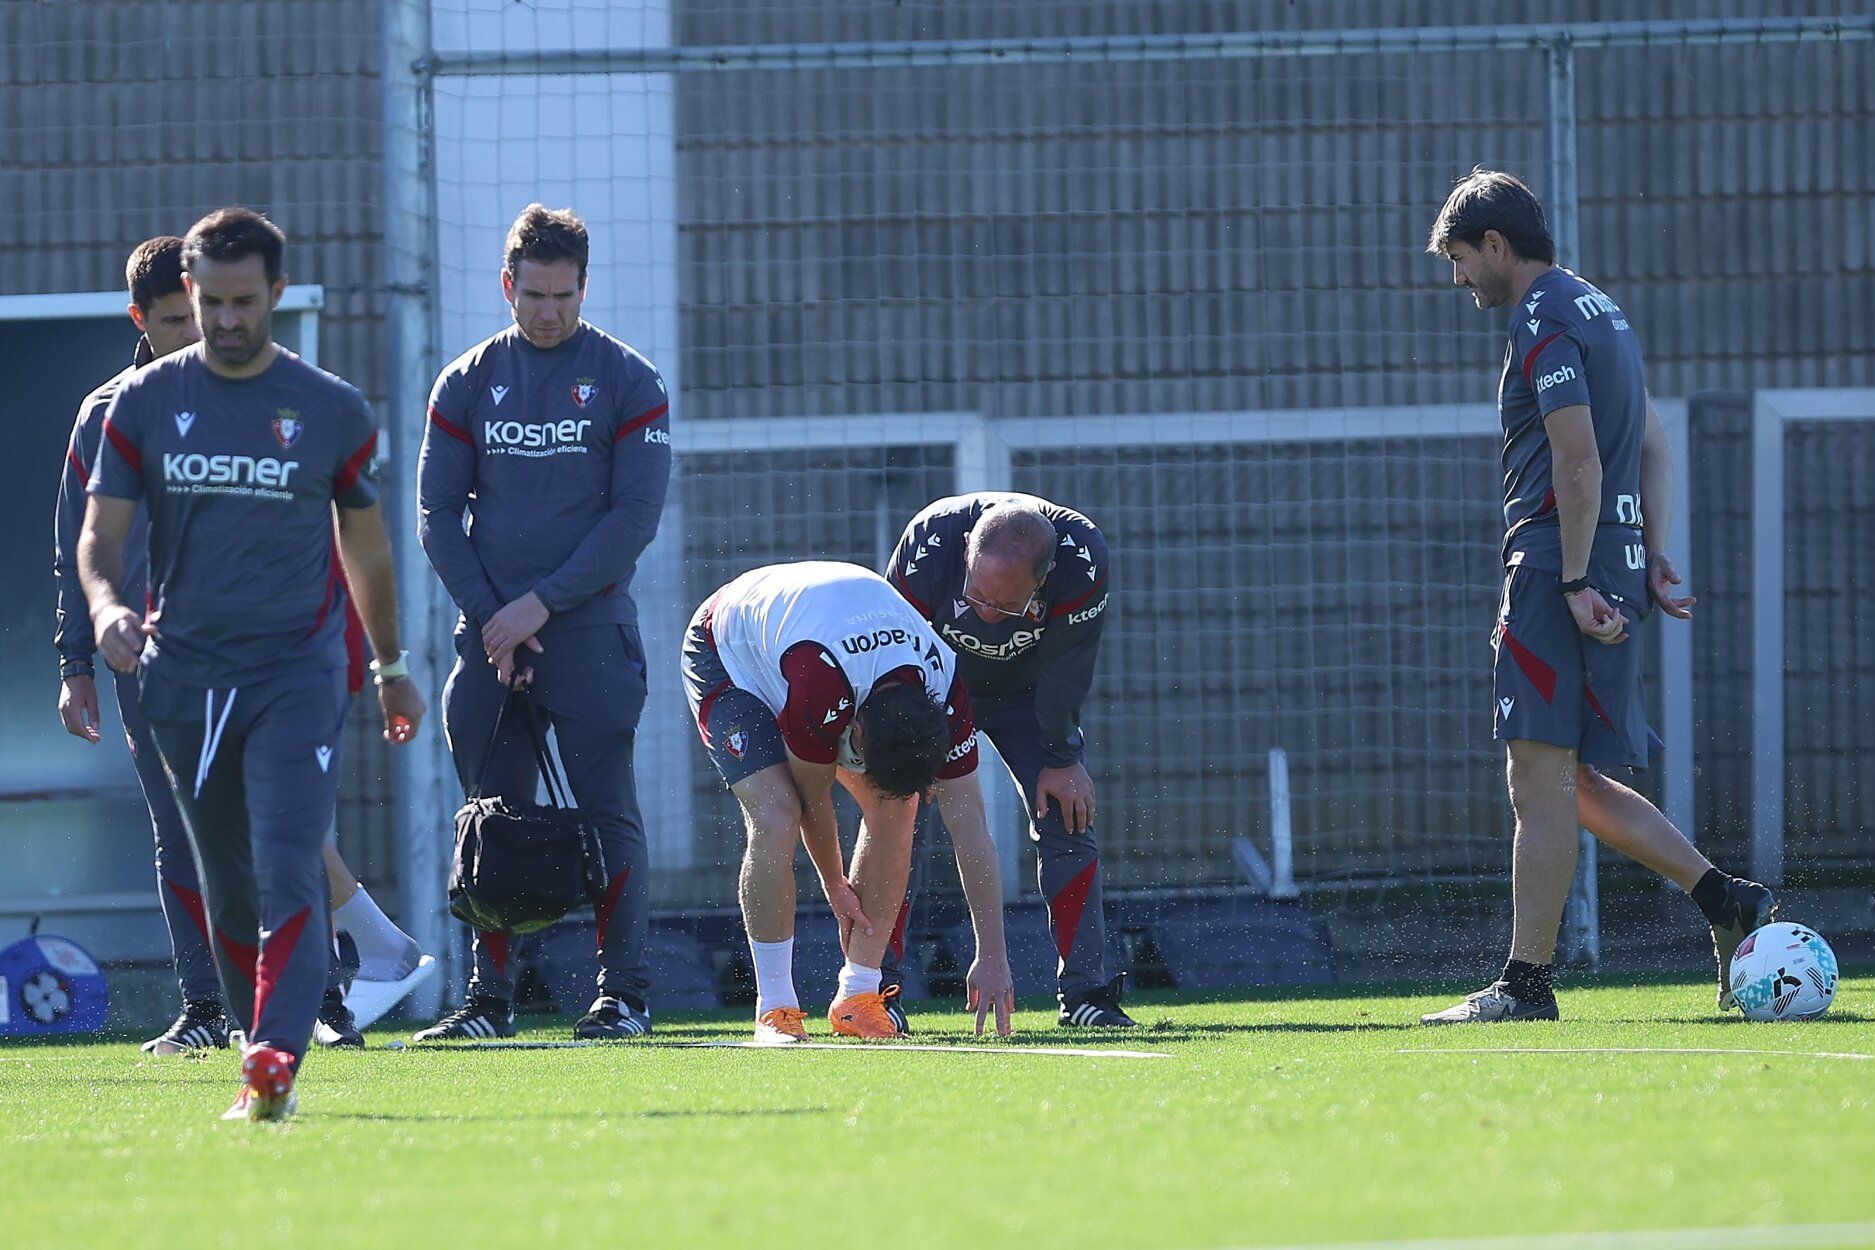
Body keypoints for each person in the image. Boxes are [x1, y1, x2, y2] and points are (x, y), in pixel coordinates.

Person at [80, 207, 426, 1119]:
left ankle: (272, 1059)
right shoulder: (140, 407)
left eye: (244, 301)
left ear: (275, 292)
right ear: (186, 294)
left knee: (286, 860)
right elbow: (97, 536)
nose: (226, 320)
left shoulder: (329, 409)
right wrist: (108, 609)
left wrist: (390, 663)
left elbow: (369, 553)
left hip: (297, 674)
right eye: (210, 301)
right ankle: (255, 1033)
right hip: (182, 677)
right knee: (225, 886)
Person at [1419, 169, 1773, 1024]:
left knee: (1533, 781)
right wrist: (1647, 554)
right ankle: (1723, 898)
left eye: (1461, 259)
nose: (1457, 278)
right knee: (1571, 781)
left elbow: (1578, 462)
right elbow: (1650, 444)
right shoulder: (1599, 310)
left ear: (1496, 245)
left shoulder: (1539, 319)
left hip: (1556, 568)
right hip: (1608, 561)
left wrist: (1574, 580)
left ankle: (1523, 984)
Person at [414, 204, 671, 1042]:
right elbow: (436, 513)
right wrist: (495, 619)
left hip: (590, 634)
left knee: (608, 813)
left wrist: (541, 605)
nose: (549, 311)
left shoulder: (631, 381)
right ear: (506, 285)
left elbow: (633, 517)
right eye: (533, 294)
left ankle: (621, 996)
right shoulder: (464, 381)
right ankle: (490, 1001)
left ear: (584, 287)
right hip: (488, 640)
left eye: (564, 295)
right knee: (494, 816)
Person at [683, 561, 1016, 1043]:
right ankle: (774, 1009)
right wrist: (836, 886)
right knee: (777, 815)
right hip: (729, 652)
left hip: (820, 639)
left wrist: (992, 954)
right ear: (854, 730)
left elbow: (971, 829)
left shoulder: (947, 690)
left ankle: (858, 998)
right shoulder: (822, 684)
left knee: (898, 809)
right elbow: (811, 800)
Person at [883, 494, 1132, 1028]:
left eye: (1006, 607)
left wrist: (1063, 757)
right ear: (967, 549)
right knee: (896, 821)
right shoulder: (929, 543)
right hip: (932, 691)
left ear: (1044, 579)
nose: (986, 616)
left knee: (1068, 813)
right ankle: (877, 993)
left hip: (1028, 697)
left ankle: (1086, 994)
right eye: (976, 596)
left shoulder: (1082, 557)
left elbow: (1069, 667)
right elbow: (893, 652)